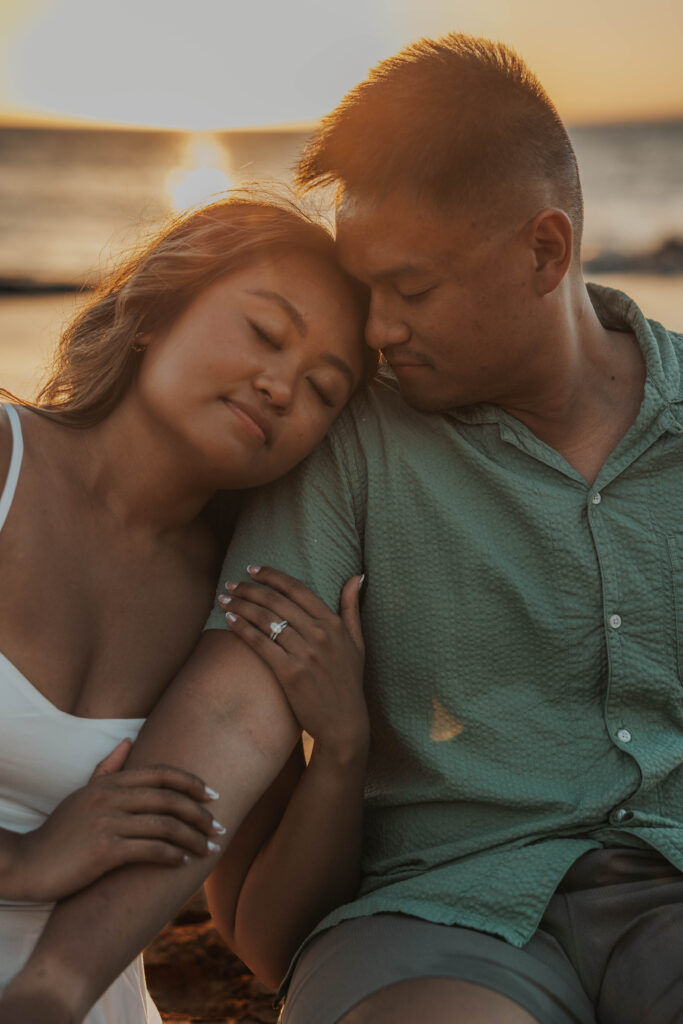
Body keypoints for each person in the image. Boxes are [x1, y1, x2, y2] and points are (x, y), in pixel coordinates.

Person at [4, 31, 683, 1024]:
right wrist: (59, 975)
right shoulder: (349, 437)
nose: (373, 335)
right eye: (364, 293)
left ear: (543, 251)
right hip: (439, 912)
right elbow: (239, 705)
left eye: (408, 291)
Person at [0, 192, 371, 1023]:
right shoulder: (4, 466)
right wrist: (21, 864)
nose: (280, 387)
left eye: (323, 389)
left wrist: (342, 750)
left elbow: (264, 944)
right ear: (154, 316)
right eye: (264, 334)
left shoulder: (241, 616)